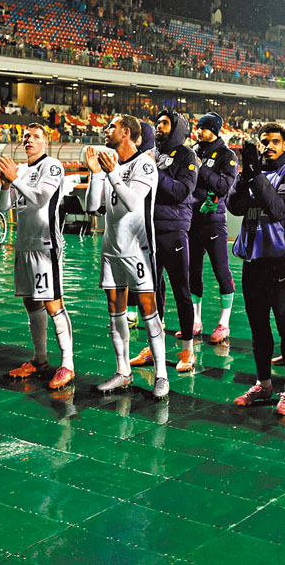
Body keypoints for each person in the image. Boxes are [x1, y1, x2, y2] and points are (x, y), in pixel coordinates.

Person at [85, 114, 170, 399]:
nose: (106, 129)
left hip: (138, 250)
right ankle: (123, 371)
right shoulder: (111, 164)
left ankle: (161, 375)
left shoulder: (144, 163)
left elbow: (133, 203)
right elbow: (92, 206)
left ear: (127, 133)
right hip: (111, 249)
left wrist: (110, 174)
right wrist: (95, 173)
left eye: (112, 126)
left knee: (148, 310)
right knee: (115, 310)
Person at [227, 123, 285, 416]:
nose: (269, 146)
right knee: (258, 327)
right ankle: (263, 384)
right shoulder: (254, 172)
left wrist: (256, 177)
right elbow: (234, 206)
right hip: (253, 261)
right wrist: (244, 176)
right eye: (264, 141)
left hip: (280, 262)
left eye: (275, 141)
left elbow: (280, 208)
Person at [0, 124, 75, 390]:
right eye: (26, 136)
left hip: (45, 245)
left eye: (36, 137)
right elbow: (3, 207)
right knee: (31, 303)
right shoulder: (20, 170)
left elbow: (41, 199)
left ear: (46, 142)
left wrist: (15, 179)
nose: (29, 140)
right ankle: (39, 360)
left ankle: (67, 365)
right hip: (23, 245)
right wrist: (6, 184)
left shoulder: (52, 166)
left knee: (53, 304)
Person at [130, 110, 199, 372]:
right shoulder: (151, 154)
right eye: (158, 122)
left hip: (174, 230)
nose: (159, 126)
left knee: (181, 289)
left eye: (165, 123)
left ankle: (187, 350)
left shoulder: (187, 156)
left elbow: (181, 191)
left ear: (177, 128)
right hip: (148, 229)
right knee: (151, 290)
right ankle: (152, 346)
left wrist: (154, 172)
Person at [188, 112, 238, 342]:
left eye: (204, 128)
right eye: (198, 127)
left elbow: (223, 187)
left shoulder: (227, 155)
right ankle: (195, 321)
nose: (199, 131)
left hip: (213, 221)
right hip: (192, 220)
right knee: (193, 273)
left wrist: (201, 168)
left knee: (221, 271)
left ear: (215, 130)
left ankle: (224, 323)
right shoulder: (193, 151)